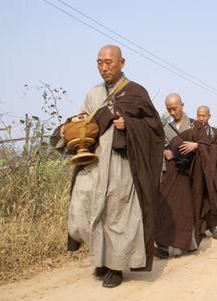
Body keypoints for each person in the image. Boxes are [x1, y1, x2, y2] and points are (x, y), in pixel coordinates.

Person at [51, 45, 164, 288]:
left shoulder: (136, 92)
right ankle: (100, 257)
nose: (104, 67)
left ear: (122, 62)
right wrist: (66, 128)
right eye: (99, 62)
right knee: (85, 207)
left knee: (117, 215)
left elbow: (155, 128)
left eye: (109, 62)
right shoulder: (93, 94)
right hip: (95, 160)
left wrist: (130, 124)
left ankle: (115, 267)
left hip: (122, 163)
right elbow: (82, 120)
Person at [167, 105, 217, 242]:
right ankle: (198, 231)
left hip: (211, 175)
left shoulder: (215, 133)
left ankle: (211, 226)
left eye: (204, 115)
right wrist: (171, 151)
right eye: (199, 115)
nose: (201, 118)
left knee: (214, 201)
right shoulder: (192, 131)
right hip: (197, 174)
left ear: (209, 116)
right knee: (197, 201)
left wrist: (199, 146)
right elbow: (178, 141)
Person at [155, 93, 198, 259]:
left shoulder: (194, 125)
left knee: (188, 208)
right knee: (174, 209)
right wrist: (165, 151)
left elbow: (209, 146)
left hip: (192, 172)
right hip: (173, 172)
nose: (172, 112)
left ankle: (189, 243)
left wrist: (196, 145)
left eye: (175, 108)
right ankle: (174, 244)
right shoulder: (166, 128)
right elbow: (162, 146)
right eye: (169, 110)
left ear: (182, 105)